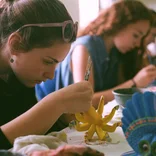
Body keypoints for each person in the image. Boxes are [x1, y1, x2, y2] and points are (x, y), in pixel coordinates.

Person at [0, 0, 94, 150]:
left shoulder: (19, 75)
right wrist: (56, 104)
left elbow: (25, 133)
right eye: (48, 61)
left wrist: (60, 118)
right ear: (16, 44)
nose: (51, 75)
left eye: (57, 64)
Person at [36, 0, 156, 110]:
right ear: (119, 24)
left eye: (142, 38)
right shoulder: (84, 48)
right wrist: (134, 83)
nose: (138, 44)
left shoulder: (116, 53)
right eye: (136, 35)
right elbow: (84, 101)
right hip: (60, 122)